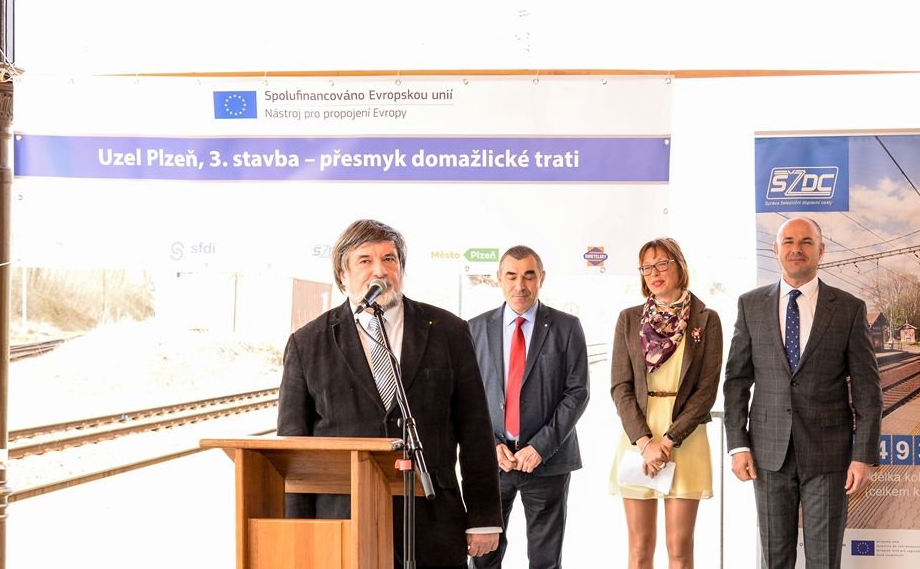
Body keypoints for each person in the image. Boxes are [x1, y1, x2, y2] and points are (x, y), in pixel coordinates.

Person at [276, 218, 502, 569]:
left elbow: (475, 429)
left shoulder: (448, 331)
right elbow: (294, 450)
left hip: (433, 520)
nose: (379, 270)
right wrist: (298, 531)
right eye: (365, 260)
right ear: (343, 274)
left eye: (389, 259)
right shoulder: (307, 343)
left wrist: (483, 516)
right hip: (343, 521)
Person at [722, 217, 882, 569]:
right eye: (789, 241)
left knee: (824, 559)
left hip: (829, 456)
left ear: (821, 250)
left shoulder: (849, 308)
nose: (797, 249)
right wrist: (738, 445)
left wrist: (863, 455)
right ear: (776, 249)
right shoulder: (750, 305)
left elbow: (868, 391)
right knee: (775, 559)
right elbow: (736, 380)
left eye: (806, 242)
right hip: (767, 455)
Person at [468, 245, 590, 569]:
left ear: (541, 278)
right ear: (499, 278)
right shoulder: (475, 328)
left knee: (545, 561)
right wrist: (490, 444)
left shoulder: (567, 327)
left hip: (548, 462)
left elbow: (577, 393)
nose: (519, 285)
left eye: (528, 276)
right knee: (483, 559)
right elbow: (467, 398)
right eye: (511, 276)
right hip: (493, 464)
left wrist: (540, 447)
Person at [609, 237, 723, 569]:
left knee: (680, 550)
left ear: (679, 266)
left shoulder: (706, 319)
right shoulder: (629, 319)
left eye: (662, 264)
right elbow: (620, 387)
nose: (654, 273)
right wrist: (645, 443)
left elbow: (706, 391)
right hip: (638, 438)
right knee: (639, 548)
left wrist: (669, 440)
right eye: (646, 267)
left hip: (684, 438)